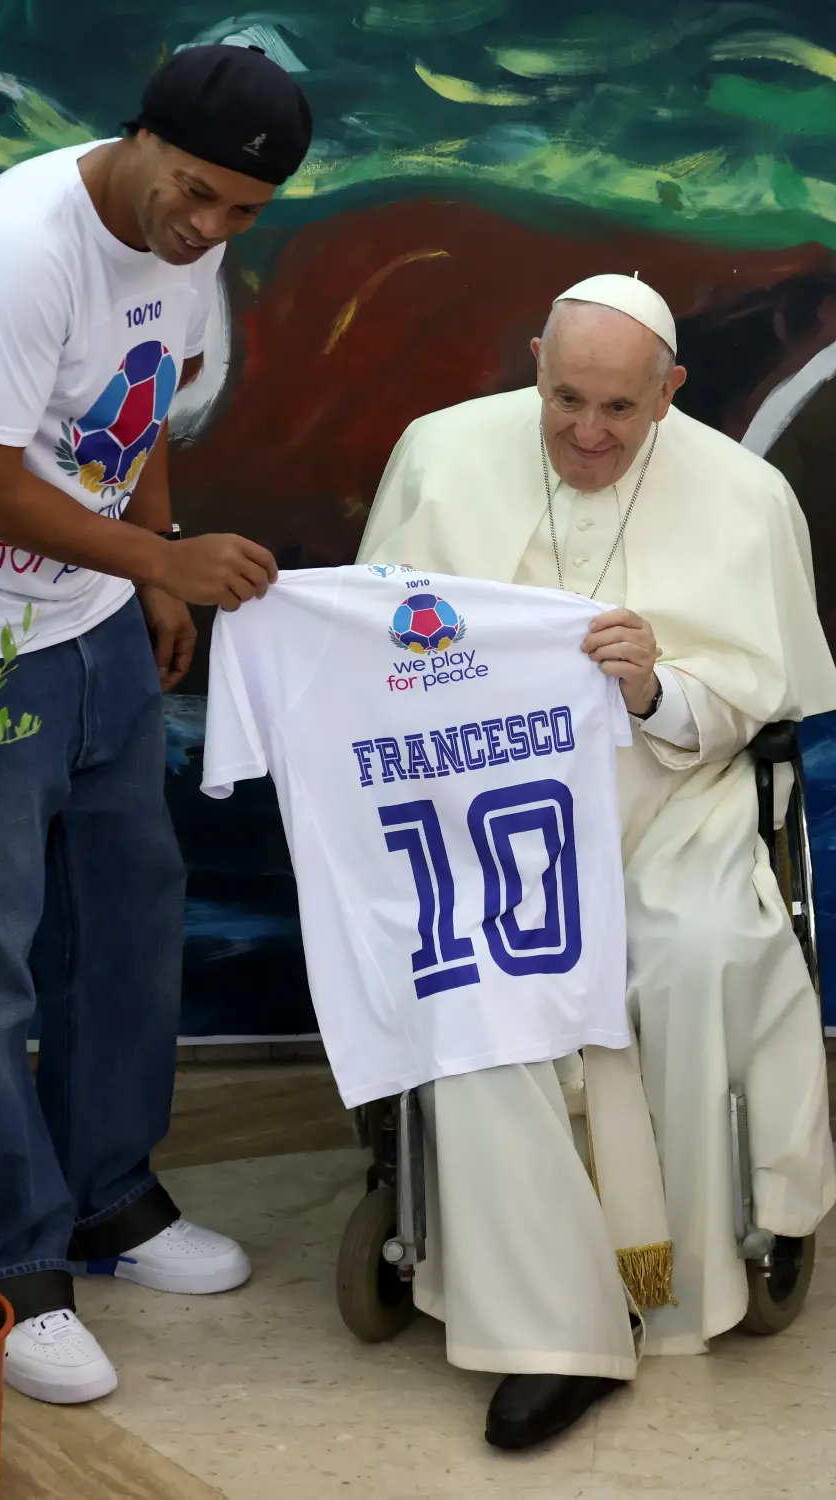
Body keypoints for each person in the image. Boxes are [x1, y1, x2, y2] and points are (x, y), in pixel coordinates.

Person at [0, 44, 312, 1405]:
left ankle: (108, 1195)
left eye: (243, 212)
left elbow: (145, 401)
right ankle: (9, 1266)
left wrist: (150, 567)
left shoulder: (188, 245)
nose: (211, 227)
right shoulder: (21, 248)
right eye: (197, 192)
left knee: (129, 912)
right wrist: (163, 564)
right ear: (141, 138)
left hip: (90, 616)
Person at [357, 274, 836, 1450]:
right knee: (481, 972)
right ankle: (549, 1329)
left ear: (668, 393)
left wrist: (653, 684)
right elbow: (372, 654)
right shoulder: (438, 455)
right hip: (483, 821)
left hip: (668, 806)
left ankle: (671, 1281)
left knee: (695, 950)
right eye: (564, 398)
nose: (585, 432)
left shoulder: (744, 497)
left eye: (619, 409)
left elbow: (749, 702)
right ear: (534, 362)